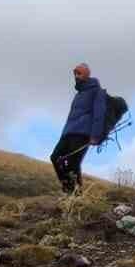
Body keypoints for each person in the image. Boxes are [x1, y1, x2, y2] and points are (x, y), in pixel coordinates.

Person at [52, 62, 107, 193]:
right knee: (55, 157)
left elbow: (99, 114)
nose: (76, 76)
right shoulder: (78, 94)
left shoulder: (97, 91)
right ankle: (69, 187)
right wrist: (64, 132)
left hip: (82, 133)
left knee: (73, 163)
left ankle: (74, 193)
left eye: (79, 73)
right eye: (75, 73)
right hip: (68, 132)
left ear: (87, 74)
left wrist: (95, 135)